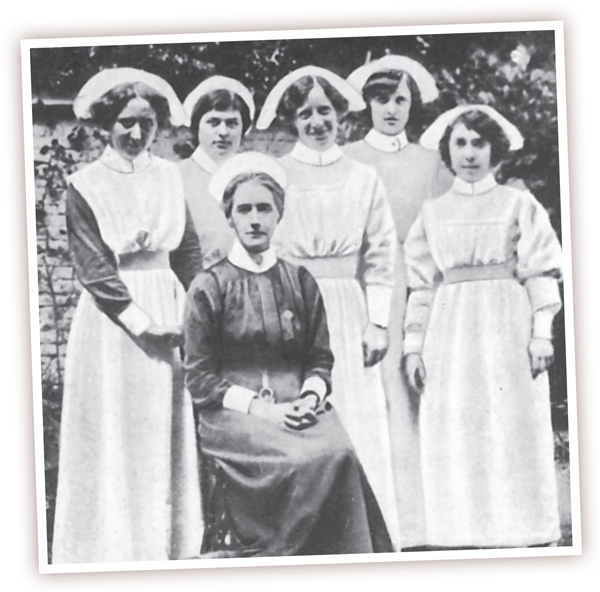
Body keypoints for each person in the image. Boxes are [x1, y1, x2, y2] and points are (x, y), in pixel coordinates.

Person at [183, 151, 393, 557]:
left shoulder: (299, 279)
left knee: (339, 453)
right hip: (234, 414)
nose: (255, 219)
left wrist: (310, 397)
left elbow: (319, 358)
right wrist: (265, 411)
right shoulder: (209, 286)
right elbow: (200, 379)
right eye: (244, 210)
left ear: (279, 214)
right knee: (297, 461)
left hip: (299, 404)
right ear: (230, 217)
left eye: (265, 208)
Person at [52, 68, 204, 563]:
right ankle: (113, 549)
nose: (136, 134)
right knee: (118, 425)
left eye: (146, 123)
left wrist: (199, 310)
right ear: (105, 125)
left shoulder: (169, 176)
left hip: (168, 303)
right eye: (125, 123)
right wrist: (141, 323)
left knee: (165, 427)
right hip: (113, 322)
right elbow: (94, 267)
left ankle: (170, 548)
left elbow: (187, 252)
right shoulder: (86, 184)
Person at [403, 104, 563, 548]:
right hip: (450, 330)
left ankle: (521, 526)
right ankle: (460, 531)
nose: (469, 153)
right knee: (458, 421)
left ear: (496, 150)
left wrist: (541, 332)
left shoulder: (518, 204)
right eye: (460, 143)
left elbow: (541, 271)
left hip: (505, 323)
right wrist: (413, 346)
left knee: (510, 420)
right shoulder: (432, 213)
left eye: (479, 143)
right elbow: (421, 285)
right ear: (447, 151)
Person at [255, 65, 401, 549]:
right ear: (291, 120)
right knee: (304, 420)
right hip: (294, 308)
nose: (317, 122)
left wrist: (378, 320)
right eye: (304, 113)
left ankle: (370, 536)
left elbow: (381, 253)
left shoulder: (364, 177)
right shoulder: (275, 174)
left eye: (325, 111)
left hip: (349, 306)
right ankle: (312, 540)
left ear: (340, 115)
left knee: (359, 417)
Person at [344, 55, 453, 549]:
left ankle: (416, 523)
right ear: (367, 103)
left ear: (413, 105)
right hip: (360, 287)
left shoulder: (429, 162)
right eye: (381, 99)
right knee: (366, 397)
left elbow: (445, 225)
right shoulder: (348, 159)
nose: (391, 109)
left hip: (414, 285)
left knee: (410, 397)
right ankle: (365, 517)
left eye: (400, 100)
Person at [178, 75, 255, 269]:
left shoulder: (254, 177)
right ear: (196, 126)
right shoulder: (177, 176)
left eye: (232, 123)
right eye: (213, 122)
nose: (223, 132)